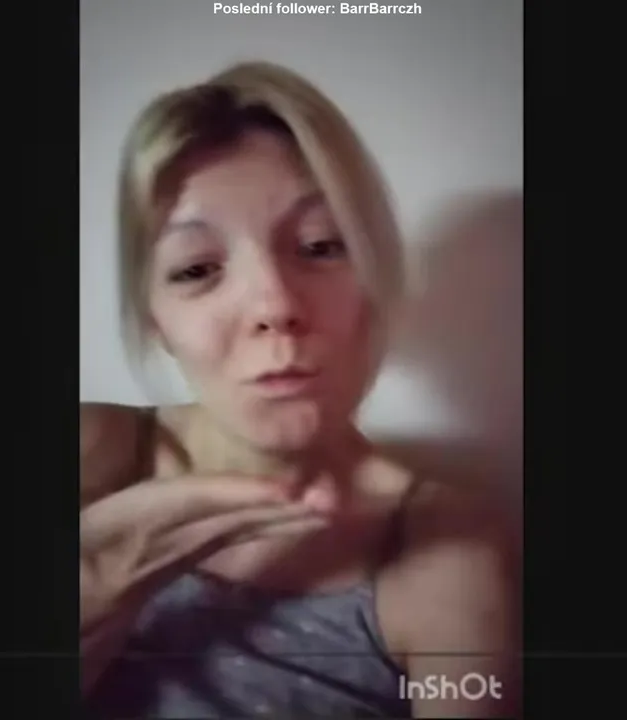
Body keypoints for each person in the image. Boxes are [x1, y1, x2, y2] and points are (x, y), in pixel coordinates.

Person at [80, 61, 516, 718]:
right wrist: (95, 595)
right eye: (197, 269)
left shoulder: (446, 544)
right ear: (154, 321)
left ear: (375, 280)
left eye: (320, 246)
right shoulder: (95, 454)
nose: (276, 305)